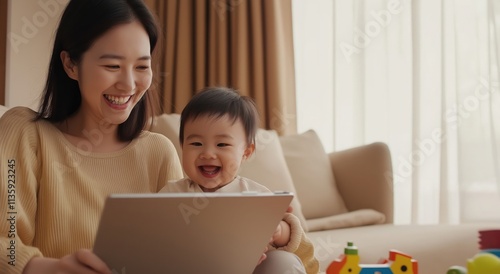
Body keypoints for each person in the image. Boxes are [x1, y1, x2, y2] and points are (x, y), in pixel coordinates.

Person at [0, 0, 184, 273]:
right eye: (112, 66)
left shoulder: (159, 153)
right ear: (71, 64)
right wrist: (46, 268)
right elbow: (7, 242)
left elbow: (183, 249)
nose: (129, 84)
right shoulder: (25, 134)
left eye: (142, 67)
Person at [160, 87, 320, 274]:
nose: (208, 153)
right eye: (196, 144)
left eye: (222, 144)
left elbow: (301, 249)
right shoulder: (171, 194)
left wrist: (278, 231)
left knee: (282, 261)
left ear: (246, 151)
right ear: (182, 146)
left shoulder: (257, 196)